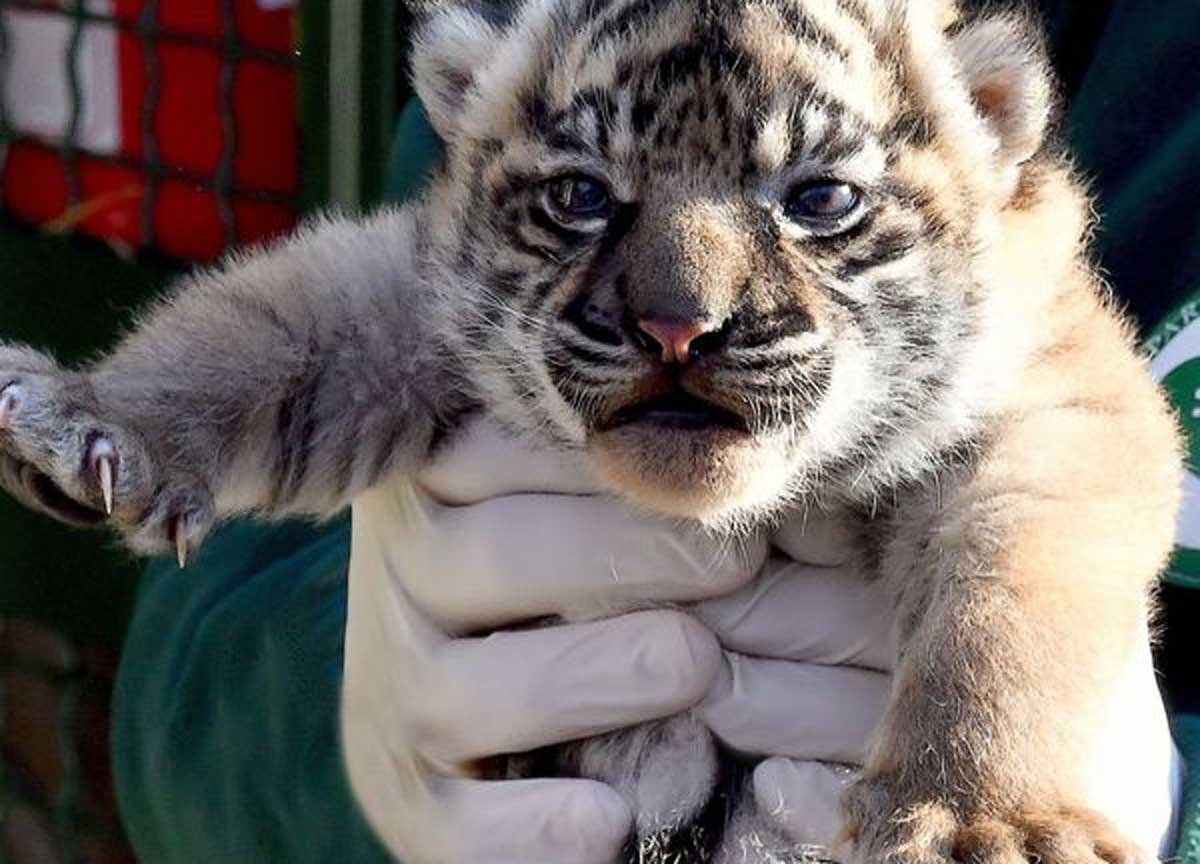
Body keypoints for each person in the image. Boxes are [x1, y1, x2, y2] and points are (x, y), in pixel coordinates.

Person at [111, 0, 1200, 860]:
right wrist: (353, 733)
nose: (682, 314)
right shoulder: (554, 48)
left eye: (818, 203)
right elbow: (189, 676)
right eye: (584, 197)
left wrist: (1108, 804)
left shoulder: (1028, 309)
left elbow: (1071, 467)